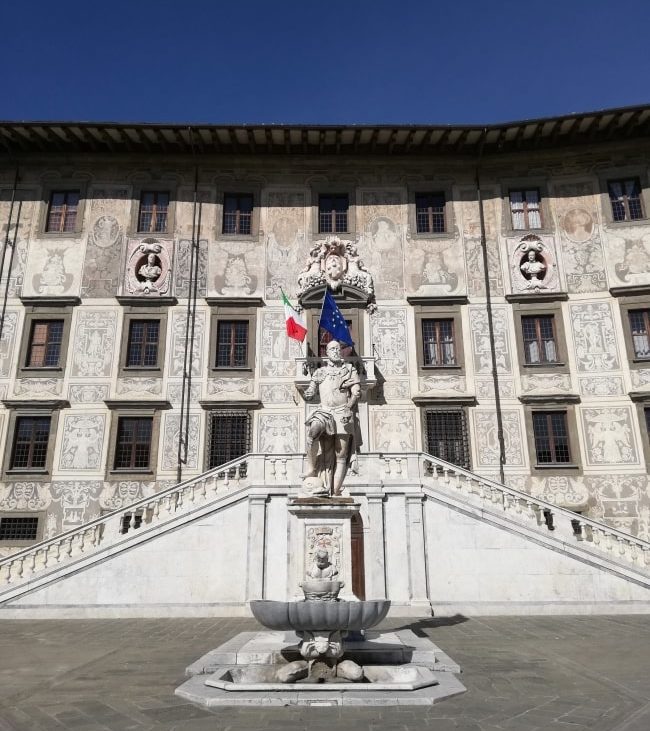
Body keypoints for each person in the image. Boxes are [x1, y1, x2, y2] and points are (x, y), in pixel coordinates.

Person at [302, 340, 361, 495]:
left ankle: (333, 492)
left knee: (340, 455)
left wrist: (349, 407)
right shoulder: (320, 372)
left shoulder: (349, 370)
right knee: (312, 433)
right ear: (326, 353)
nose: (336, 351)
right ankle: (310, 467)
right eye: (332, 349)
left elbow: (356, 392)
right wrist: (308, 393)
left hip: (343, 412)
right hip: (325, 412)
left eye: (338, 349)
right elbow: (310, 390)